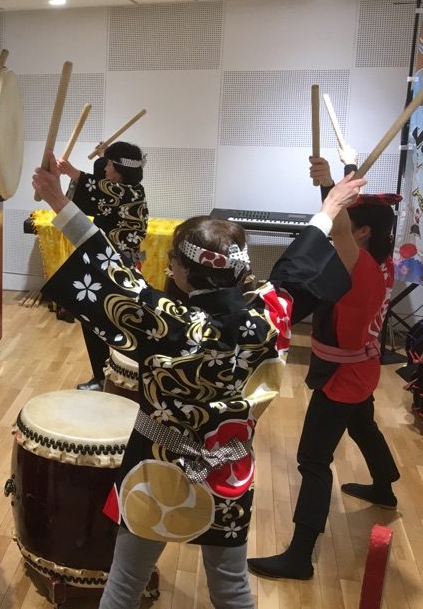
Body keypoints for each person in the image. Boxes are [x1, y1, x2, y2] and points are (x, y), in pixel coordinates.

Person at [32, 151, 366, 609]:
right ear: (240, 268)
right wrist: (330, 205)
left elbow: (104, 259)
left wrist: (56, 197)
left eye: (173, 262)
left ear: (183, 271)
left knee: (125, 585)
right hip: (228, 469)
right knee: (231, 590)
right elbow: (300, 263)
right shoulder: (270, 316)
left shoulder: (163, 320)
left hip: (154, 467)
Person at [248, 151, 401, 581]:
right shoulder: (382, 263)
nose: (341, 230)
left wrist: (331, 186)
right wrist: (334, 179)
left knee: (313, 460)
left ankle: (300, 557)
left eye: (350, 225)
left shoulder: (360, 267)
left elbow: (339, 229)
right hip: (364, 367)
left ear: (363, 232)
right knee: (363, 425)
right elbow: (345, 226)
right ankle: (385, 487)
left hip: (343, 377)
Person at [56, 140, 148, 390]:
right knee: (94, 320)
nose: (105, 168)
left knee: (106, 322)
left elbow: (99, 187)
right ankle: (103, 376)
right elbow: (99, 190)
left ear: (120, 169)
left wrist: (71, 171)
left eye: (109, 164)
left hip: (117, 266)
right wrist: (103, 156)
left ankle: (114, 380)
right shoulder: (125, 189)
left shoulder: (127, 193)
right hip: (108, 262)